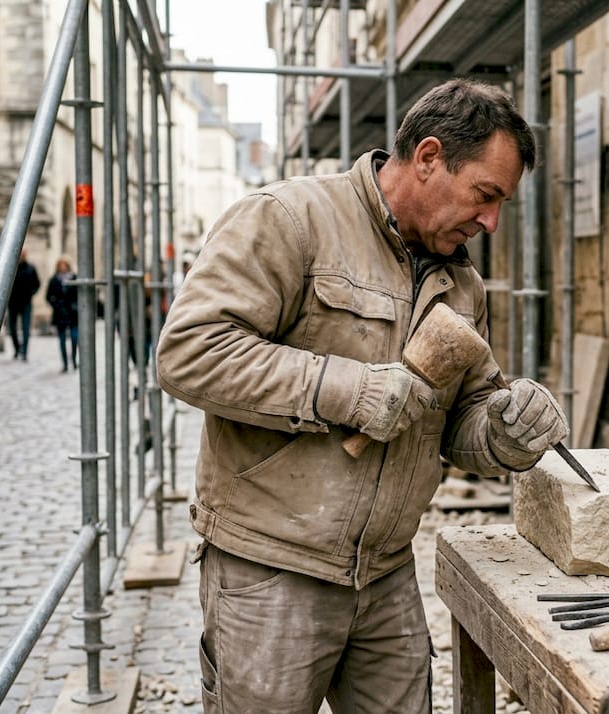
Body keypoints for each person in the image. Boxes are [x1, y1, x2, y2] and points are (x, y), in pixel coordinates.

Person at [157, 79, 567, 714]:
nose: (491, 221)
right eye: (485, 196)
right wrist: (349, 390)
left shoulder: (463, 285)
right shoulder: (289, 219)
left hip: (384, 574)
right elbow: (190, 352)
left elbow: (460, 422)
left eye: (501, 204)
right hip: (271, 570)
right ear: (429, 157)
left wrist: (505, 433)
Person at [45, 255, 78, 372]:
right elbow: (48, 296)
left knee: (75, 338)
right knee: (62, 339)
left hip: (73, 314)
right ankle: (64, 363)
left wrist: (76, 305)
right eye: (60, 265)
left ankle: (74, 360)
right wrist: (56, 305)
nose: (63, 267)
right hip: (60, 314)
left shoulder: (74, 278)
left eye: (64, 265)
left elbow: (79, 295)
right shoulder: (54, 280)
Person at [7, 248, 40, 360]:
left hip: (26, 302)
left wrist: (31, 293)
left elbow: (37, 284)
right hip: (13, 303)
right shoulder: (11, 268)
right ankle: (17, 349)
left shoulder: (31, 268)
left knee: (26, 328)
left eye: (23, 254)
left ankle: (25, 352)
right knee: (12, 328)